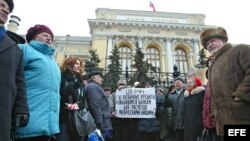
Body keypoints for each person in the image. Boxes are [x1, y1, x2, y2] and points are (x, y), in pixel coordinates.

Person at [200, 26, 250, 138]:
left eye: (212, 41)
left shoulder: (239, 50)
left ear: (223, 40)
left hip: (242, 116)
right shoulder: (212, 66)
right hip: (222, 123)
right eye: (207, 44)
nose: (210, 45)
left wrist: (240, 95)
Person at [15, 24, 61, 141]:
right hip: (27, 119)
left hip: (48, 125)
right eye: (45, 35)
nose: (49, 38)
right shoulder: (23, 49)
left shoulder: (52, 61)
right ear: (34, 37)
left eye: (51, 37)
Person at [0, 0, 29, 140]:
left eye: (7, 8)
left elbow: (19, 82)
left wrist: (21, 109)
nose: (6, 10)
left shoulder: (14, 48)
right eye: (1, 5)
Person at [56, 57, 86, 141]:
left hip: (77, 119)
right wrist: (67, 105)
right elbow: (60, 94)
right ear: (69, 65)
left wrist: (78, 105)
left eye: (79, 64)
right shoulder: (61, 77)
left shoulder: (80, 81)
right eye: (76, 64)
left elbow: (83, 101)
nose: (79, 66)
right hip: (64, 118)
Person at [85, 69, 113, 140]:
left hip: (101, 122)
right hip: (99, 124)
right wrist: (99, 123)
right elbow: (95, 106)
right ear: (93, 77)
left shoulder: (94, 87)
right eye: (100, 77)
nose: (102, 79)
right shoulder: (93, 87)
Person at [183, 77, 205, 141]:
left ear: (195, 83)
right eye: (187, 83)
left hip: (198, 123)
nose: (188, 84)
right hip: (188, 124)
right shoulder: (187, 96)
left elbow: (204, 109)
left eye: (190, 82)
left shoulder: (201, 94)